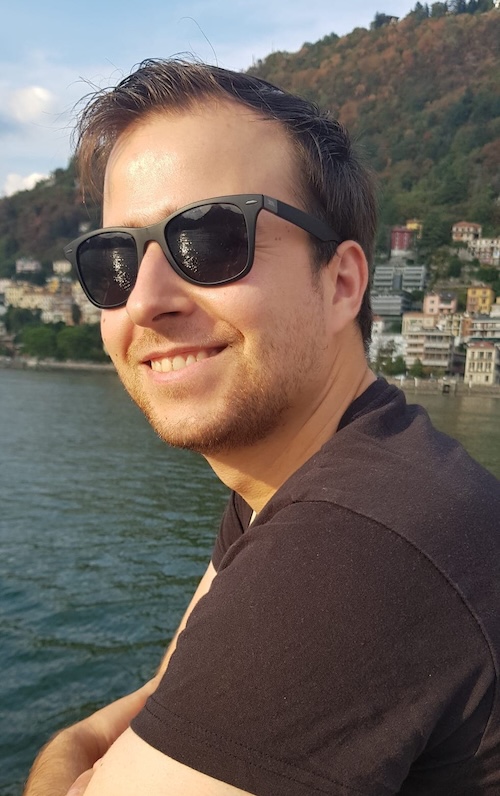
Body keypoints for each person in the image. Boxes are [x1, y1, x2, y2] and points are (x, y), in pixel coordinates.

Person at [25, 59, 500, 796]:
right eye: (113, 260)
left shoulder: (355, 546)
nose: (145, 300)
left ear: (341, 282)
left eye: (211, 240)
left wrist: (66, 750)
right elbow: (165, 692)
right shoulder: (300, 480)